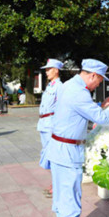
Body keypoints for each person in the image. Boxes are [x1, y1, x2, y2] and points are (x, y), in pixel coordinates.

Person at [43, 59, 109, 217]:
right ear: (92, 75)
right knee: (71, 194)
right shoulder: (79, 92)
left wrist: (100, 104)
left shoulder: (69, 85)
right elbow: (101, 118)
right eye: (99, 80)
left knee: (62, 194)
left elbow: (79, 109)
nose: (99, 84)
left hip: (58, 148)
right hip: (68, 151)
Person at [37, 59, 64, 198]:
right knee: (48, 155)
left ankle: (57, 185)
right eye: (46, 69)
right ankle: (55, 183)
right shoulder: (50, 86)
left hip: (51, 125)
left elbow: (61, 107)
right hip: (44, 123)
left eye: (49, 69)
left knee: (53, 156)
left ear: (56, 70)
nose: (46, 72)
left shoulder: (59, 87)